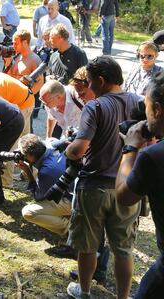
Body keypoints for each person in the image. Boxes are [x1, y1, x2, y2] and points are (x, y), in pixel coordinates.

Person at [64, 56, 141, 299]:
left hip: (95, 185)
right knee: (123, 249)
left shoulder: (95, 106)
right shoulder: (138, 102)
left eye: (89, 81)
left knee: (87, 245)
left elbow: (78, 150)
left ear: (100, 80)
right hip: (127, 186)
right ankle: (122, 297)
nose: (88, 86)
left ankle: (84, 291)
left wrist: (68, 148)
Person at [116, 71, 164, 299]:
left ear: (157, 109)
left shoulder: (154, 156)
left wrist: (130, 148)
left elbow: (124, 197)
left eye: (145, 106)